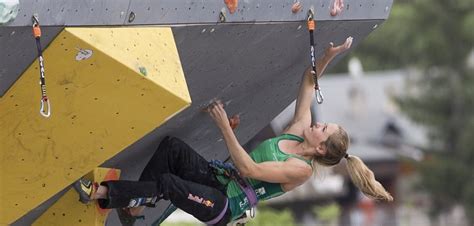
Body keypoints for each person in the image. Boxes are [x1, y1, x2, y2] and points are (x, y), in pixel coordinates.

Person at [73, 36, 393, 226]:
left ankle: (102, 194)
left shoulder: (300, 170)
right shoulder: (297, 131)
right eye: (322, 122)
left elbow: (249, 168)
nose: (317, 124)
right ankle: (136, 207)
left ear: (321, 148)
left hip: (224, 206)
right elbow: (309, 82)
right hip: (220, 181)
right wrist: (328, 55)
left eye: (323, 128)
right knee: (172, 148)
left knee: (169, 183)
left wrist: (225, 126)